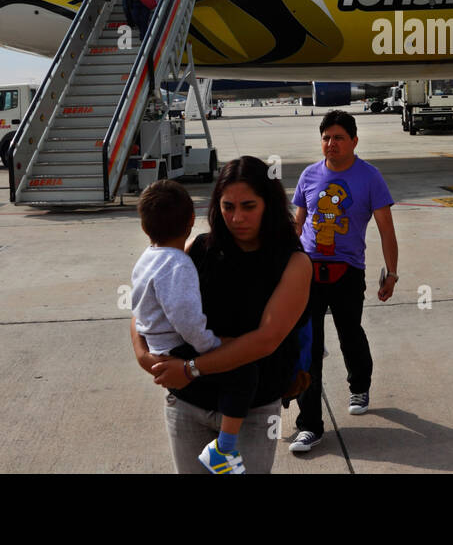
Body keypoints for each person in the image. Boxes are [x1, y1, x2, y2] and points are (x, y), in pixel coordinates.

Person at [131, 157, 312, 474]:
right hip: (188, 404)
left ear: (268, 205)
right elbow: (148, 305)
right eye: (228, 207)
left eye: (248, 206)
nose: (237, 217)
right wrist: (144, 355)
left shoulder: (293, 262)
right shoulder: (200, 249)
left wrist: (189, 368)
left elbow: (265, 340)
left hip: (253, 410)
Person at [289, 110, 399, 453]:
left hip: (348, 271)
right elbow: (298, 225)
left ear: (353, 140)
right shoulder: (309, 175)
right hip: (308, 270)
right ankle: (310, 425)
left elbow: (385, 228)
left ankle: (360, 384)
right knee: (308, 345)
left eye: (338, 138)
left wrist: (391, 273)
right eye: (325, 138)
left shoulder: (370, 177)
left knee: (350, 333)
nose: (330, 144)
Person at [132, 180, 258, 474]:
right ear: (191, 221)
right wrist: (210, 348)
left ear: (144, 226)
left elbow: (139, 307)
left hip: (157, 344)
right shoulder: (178, 264)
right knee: (244, 370)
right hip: (178, 346)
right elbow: (185, 317)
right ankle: (223, 449)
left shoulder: (146, 259)